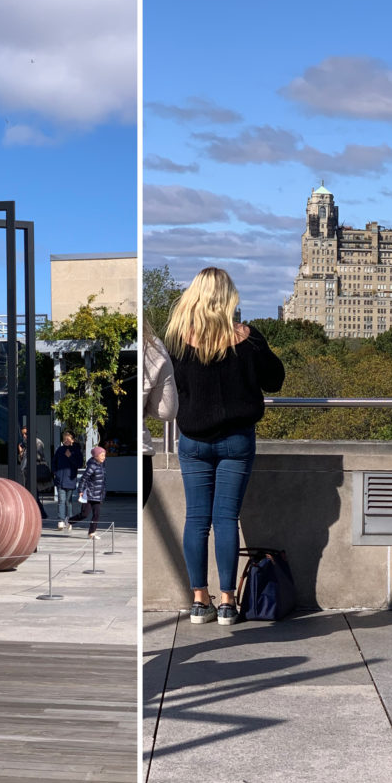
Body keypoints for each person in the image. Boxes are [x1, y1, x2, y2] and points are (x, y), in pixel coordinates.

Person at [165, 267, 284, 627]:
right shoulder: (248, 338)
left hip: (193, 441)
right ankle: (229, 602)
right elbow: (275, 380)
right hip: (236, 441)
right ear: (228, 298)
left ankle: (200, 601)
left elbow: (175, 391)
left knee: (197, 520)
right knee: (226, 519)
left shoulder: (178, 341)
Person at [142, 318, 178, 507]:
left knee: (197, 515)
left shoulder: (183, 340)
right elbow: (167, 411)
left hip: (195, 440)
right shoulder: (151, 346)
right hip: (142, 453)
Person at [52, 430, 84, 530]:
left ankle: (69, 520)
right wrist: (55, 473)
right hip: (60, 479)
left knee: (68, 501)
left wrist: (70, 457)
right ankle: (61, 520)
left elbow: (79, 464)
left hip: (70, 479)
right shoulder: (60, 450)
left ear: (73, 440)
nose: (66, 440)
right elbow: (54, 463)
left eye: (68, 438)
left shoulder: (76, 451)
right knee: (61, 500)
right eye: (64, 438)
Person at [75, 445, 107, 539]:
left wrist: (103, 492)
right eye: (102, 455)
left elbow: (103, 481)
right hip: (89, 494)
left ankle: (91, 533)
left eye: (104, 455)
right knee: (84, 514)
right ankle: (69, 521)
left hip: (97, 495)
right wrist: (80, 490)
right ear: (96, 456)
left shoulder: (102, 466)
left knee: (96, 514)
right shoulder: (92, 466)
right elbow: (83, 478)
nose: (104, 457)